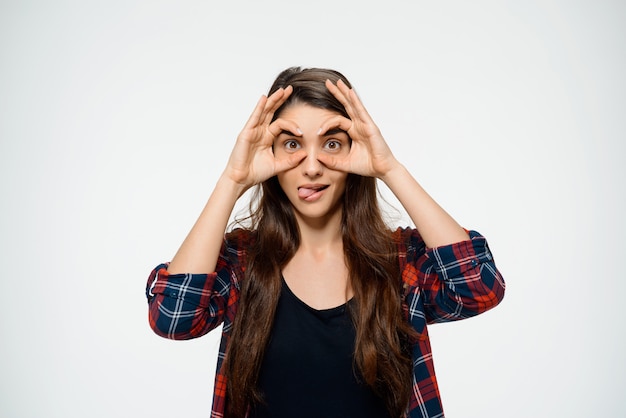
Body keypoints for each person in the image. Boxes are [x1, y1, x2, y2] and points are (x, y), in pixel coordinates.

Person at [146, 67, 505, 418]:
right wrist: (232, 179)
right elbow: (172, 318)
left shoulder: (399, 261)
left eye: (331, 144)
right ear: (270, 154)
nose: (313, 166)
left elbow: (479, 289)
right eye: (292, 145)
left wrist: (389, 168)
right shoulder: (242, 262)